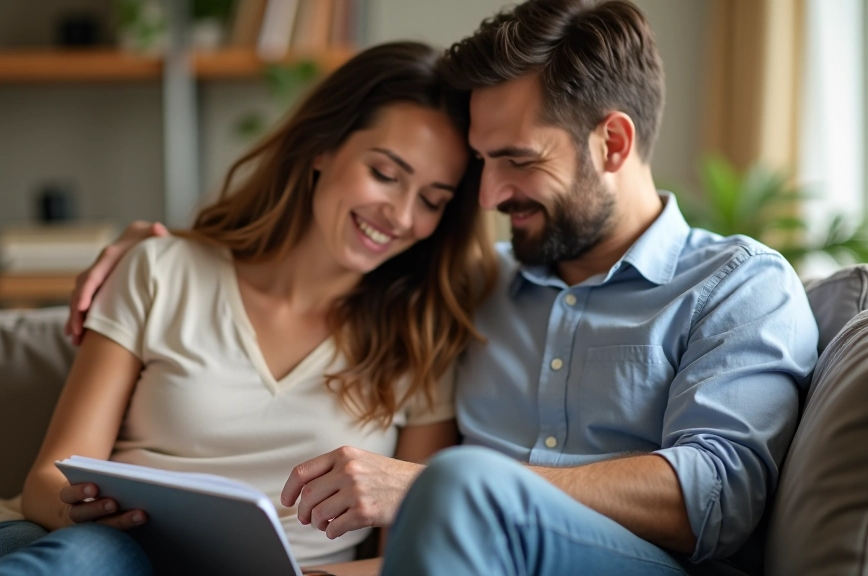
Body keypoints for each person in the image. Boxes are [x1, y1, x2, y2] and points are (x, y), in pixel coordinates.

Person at [75, 1, 821, 575]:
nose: (490, 196)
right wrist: (158, 252)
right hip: (454, 557)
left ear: (614, 143)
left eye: (517, 161)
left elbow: (719, 493)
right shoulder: (467, 288)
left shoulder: (738, 285)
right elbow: (332, 256)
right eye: (479, 166)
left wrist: (441, 490)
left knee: (461, 483)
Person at [0, 41, 497, 576]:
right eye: (385, 173)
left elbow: (408, 559)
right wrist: (77, 510)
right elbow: (44, 482)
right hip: (52, 543)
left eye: (431, 201)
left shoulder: (423, 337)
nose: (400, 215)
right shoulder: (160, 270)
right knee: (99, 556)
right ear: (323, 147)